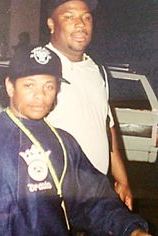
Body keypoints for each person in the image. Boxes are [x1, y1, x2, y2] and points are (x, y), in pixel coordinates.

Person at [0, 45, 150, 235]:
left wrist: (132, 229)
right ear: (10, 86)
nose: (40, 96)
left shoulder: (63, 143)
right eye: (29, 85)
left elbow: (93, 201)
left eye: (49, 86)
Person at [45, 0, 133, 210]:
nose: (80, 24)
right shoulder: (39, 67)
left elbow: (106, 125)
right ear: (51, 24)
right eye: (69, 16)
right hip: (53, 195)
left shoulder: (98, 71)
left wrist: (122, 179)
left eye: (86, 17)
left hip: (96, 194)